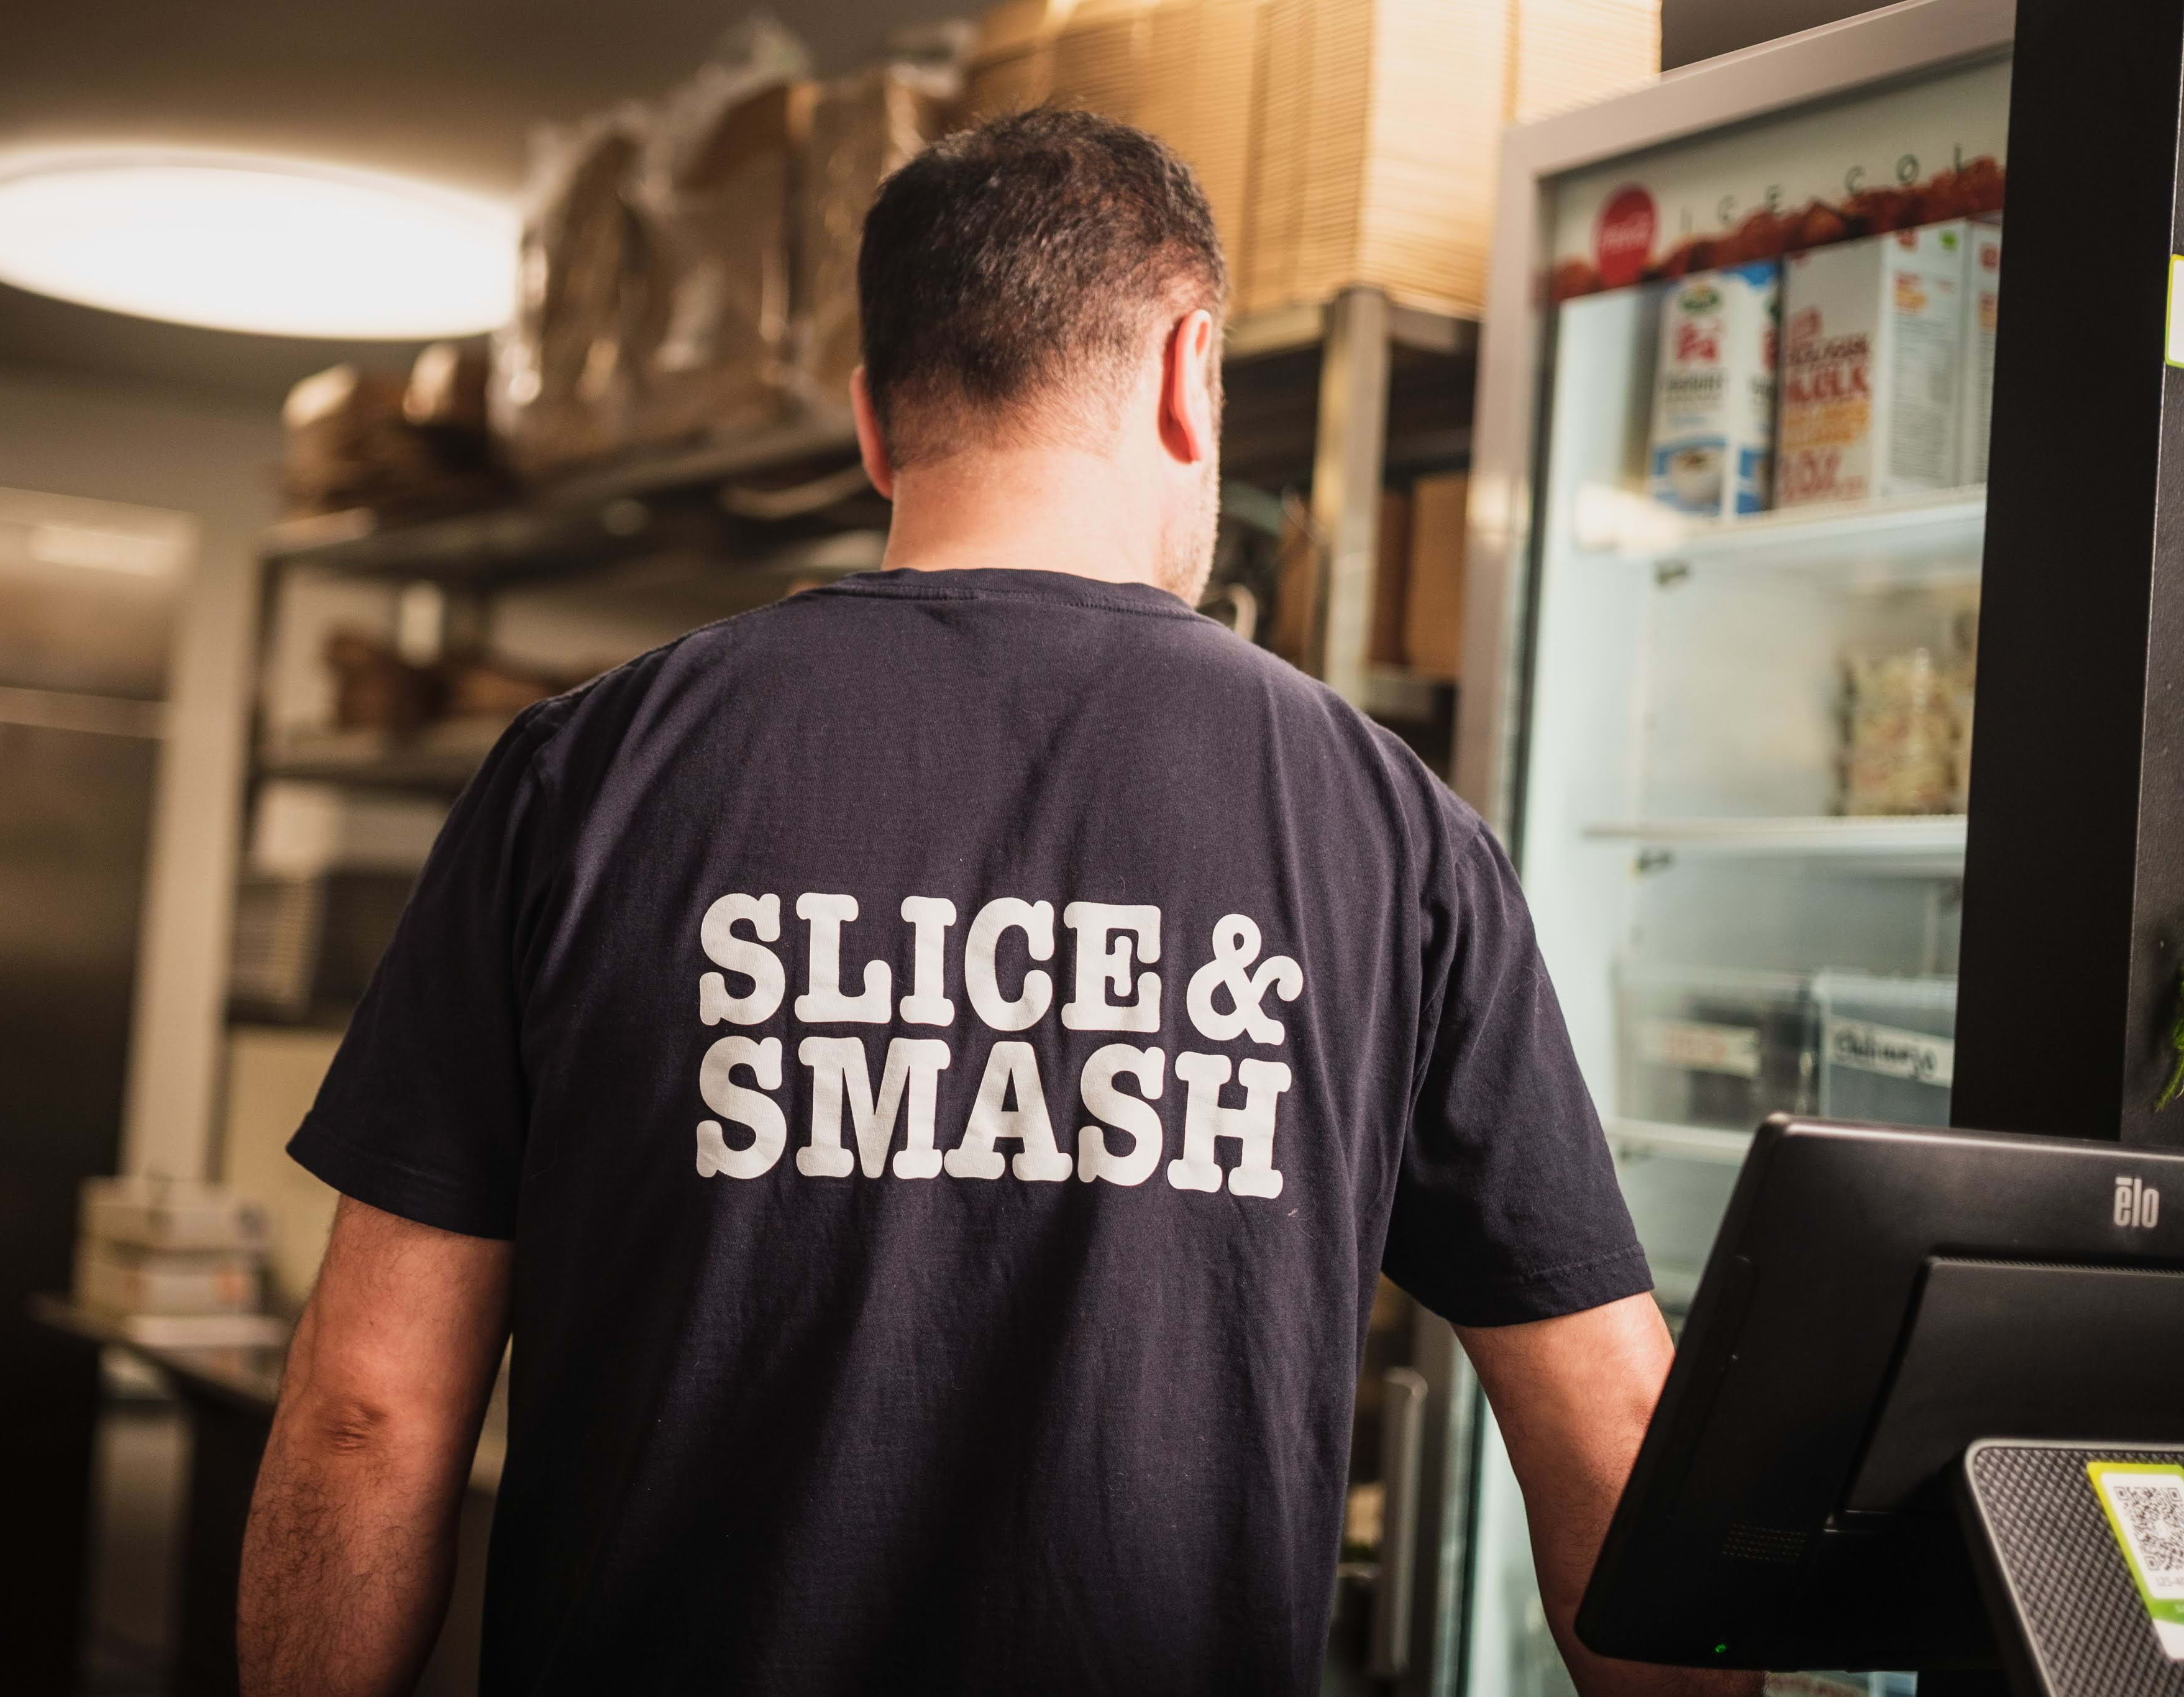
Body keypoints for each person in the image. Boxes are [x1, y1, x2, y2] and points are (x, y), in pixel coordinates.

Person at [237, 109, 1751, 1697]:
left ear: (872, 424)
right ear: (1189, 372)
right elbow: (1612, 1430)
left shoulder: (584, 775)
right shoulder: (1392, 834)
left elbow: (368, 1411)